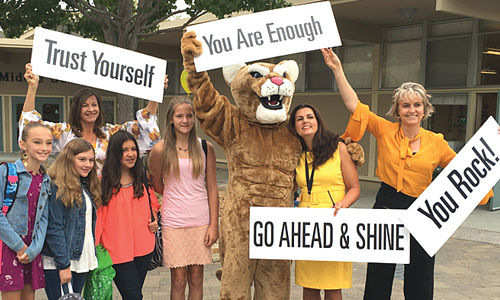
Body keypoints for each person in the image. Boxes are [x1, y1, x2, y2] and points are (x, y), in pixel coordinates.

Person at [321, 48, 496, 300]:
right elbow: (354, 105)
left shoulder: (437, 142)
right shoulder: (385, 130)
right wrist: (337, 69)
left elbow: (466, 171)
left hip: (425, 208)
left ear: (424, 110)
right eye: (405, 105)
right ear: (397, 110)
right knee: (380, 273)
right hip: (387, 204)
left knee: (421, 274)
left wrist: (493, 145)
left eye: (417, 105)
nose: (411, 109)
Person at [20, 63, 163, 174]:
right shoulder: (65, 132)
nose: (91, 109)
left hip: (105, 194)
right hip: (73, 195)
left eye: (94, 105)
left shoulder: (110, 132)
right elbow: (30, 126)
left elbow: (144, 128)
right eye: (85, 105)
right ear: (77, 108)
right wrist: (32, 87)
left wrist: (155, 95)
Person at [148, 96, 219, 300]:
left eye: (189, 115)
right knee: (178, 279)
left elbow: (212, 188)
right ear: (171, 118)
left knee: (196, 278)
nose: (185, 120)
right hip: (174, 222)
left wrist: (214, 225)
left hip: (200, 221)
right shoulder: (160, 149)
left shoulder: (206, 148)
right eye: (179, 116)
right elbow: (158, 185)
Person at [289, 104, 360, 300]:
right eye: (300, 119)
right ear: (294, 127)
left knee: (333, 288)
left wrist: (343, 204)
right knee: (309, 287)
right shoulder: (296, 154)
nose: (305, 121)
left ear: (318, 121)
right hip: (306, 225)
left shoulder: (338, 148)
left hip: (333, 223)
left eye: (309, 117)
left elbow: (354, 188)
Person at [96, 130, 160, 300]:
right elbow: (98, 219)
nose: (131, 154)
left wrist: (153, 219)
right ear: (115, 153)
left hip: (144, 247)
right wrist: (95, 248)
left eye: (133, 149)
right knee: (134, 296)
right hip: (116, 250)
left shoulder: (141, 177)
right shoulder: (103, 183)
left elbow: (152, 202)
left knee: (134, 294)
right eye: (125, 150)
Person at [42, 138, 102, 300]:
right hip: (62, 262)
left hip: (80, 260)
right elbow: (54, 229)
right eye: (82, 159)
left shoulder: (84, 185)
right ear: (69, 159)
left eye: (91, 160)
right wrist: (63, 265)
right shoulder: (58, 187)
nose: (88, 165)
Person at [0, 123, 52, 300]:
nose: (44, 148)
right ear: (23, 144)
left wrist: (33, 250)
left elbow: (44, 218)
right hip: (10, 247)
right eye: (37, 142)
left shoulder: (45, 179)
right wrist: (20, 247)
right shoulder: (6, 172)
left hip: (31, 250)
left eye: (48, 143)